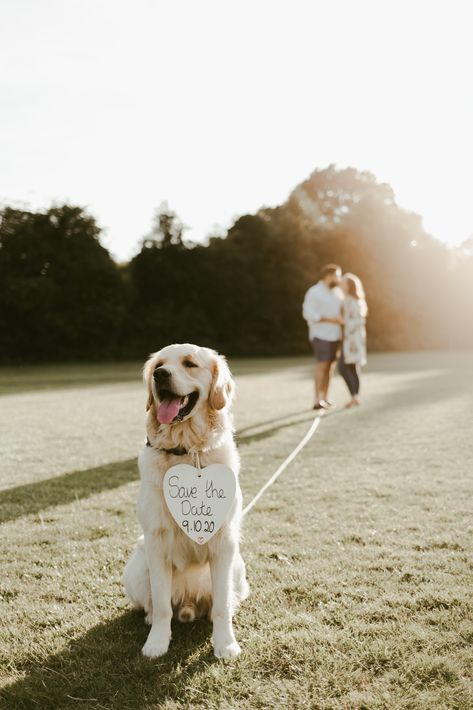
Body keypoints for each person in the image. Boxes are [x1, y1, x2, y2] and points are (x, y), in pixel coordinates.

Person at [302, 264, 344, 410]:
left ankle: (325, 397)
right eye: (338, 275)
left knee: (330, 367)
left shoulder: (338, 292)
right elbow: (308, 314)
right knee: (322, 365)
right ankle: (316, 399)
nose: (339, 279)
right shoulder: (314, 292)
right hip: (320, 335)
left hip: (336, 335)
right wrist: (329, 319)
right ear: (329, 276)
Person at [338, 273, 368, 407]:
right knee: (352, 367)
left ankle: (354, 396)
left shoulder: (350, 301)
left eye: (343, 283)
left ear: (348, 286)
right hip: (355, 339)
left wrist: (341, 321)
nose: (340, 284)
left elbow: (355, 321)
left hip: (352, 340)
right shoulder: (354, 300)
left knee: (343, 367)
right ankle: (355, 397)